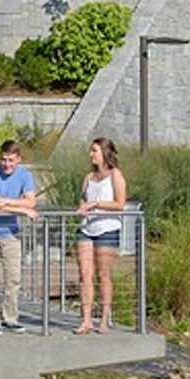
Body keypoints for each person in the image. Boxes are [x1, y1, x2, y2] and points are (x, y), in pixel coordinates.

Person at [0, 140, 37, 336]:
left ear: (18, 159)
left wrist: (10, 202)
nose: (7, 164)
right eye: (3, 160)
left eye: (11, 160)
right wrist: (22, 209)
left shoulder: (25, 175)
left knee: (13, 278)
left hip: (10, 233)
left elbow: (31, 201)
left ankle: (10, 318)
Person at [74, 138, 126, 335]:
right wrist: (83, 207)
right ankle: (86, 320)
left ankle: (104, 319)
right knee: (84, 274)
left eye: (94, 151)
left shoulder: (115, 175)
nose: (91, 154)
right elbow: (82, 199)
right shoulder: (88, 177)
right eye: (90, 151)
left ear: (104, 153)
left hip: (107, 229)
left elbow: (120, 203)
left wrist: (96, 204)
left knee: (103, 275)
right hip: (86, 229)